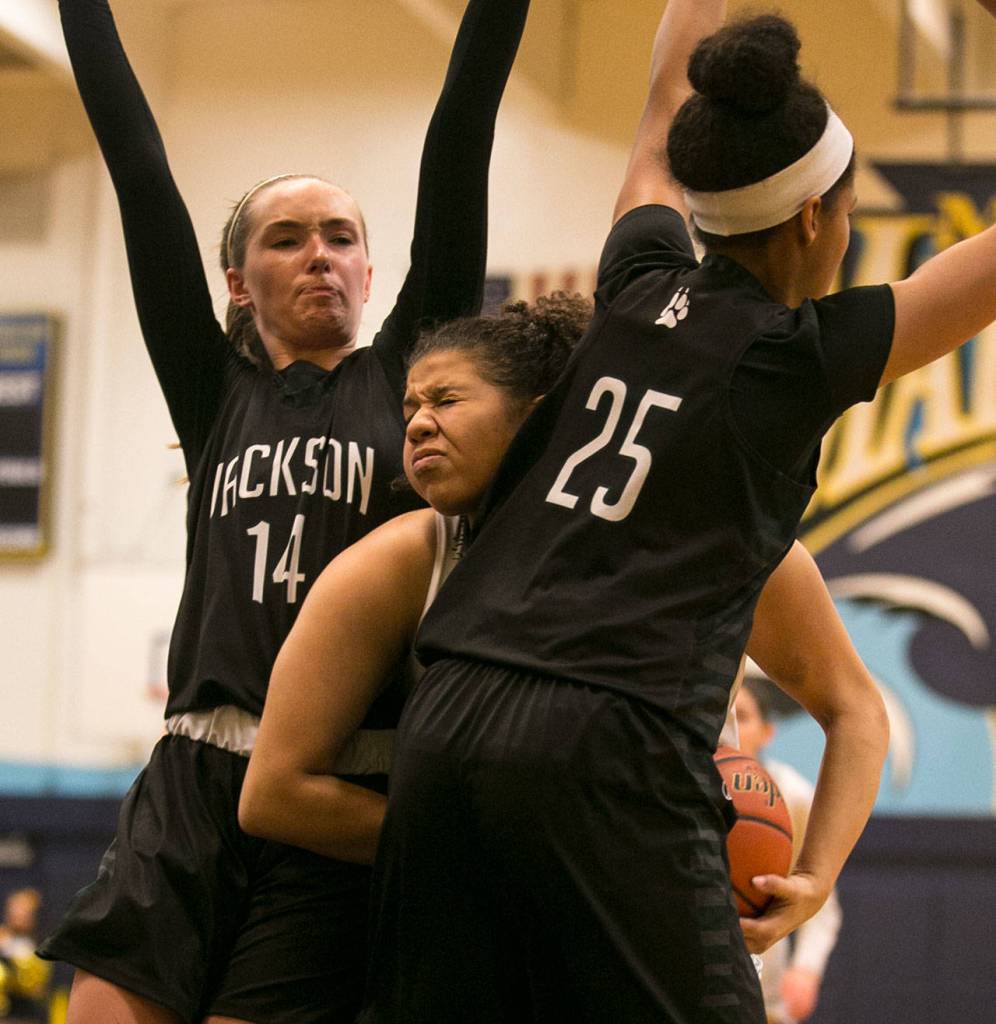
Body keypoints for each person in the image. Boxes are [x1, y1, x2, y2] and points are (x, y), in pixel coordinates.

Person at [361, 0, 996, 1019]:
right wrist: (821, 874)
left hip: (450, 716)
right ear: (812, 218)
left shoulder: (635, 278)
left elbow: (662, 110)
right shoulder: (796, 359)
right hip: (610, 739)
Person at [38, 1, 531, 1022]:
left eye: (340, 237)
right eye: (288, 238)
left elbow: (461, 132)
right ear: (236, 279)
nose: (319, 254)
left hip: (337, 789)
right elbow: (136, 166)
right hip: (190, 774)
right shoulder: (214, 389)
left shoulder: (406, 376)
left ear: (370, 267)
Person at [239, 301, 881, 888]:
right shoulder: (401, 560)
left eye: (446, 399)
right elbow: (273, 792)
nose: (416, 426)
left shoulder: (715, 534)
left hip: (660, 890)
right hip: (481, 907)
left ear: (546, 416)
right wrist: (504, 849)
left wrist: (817, 875)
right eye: (408, 408)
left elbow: (854, 707)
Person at [735, 679, 842, 1024]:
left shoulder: (790, 794)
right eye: (725, 717)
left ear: (767, 732)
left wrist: (806, 969)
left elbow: (820, 896)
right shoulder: (678, 788)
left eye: (743, 717)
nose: (731, 729)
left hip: (763, 997)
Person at [0, 889, 51, 1024]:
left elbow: (35, 986)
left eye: (25, 912)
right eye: (15, 910)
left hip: (27, 1016)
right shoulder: (3, 938)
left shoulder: (39, 946)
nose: (19, 915)